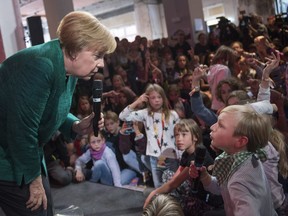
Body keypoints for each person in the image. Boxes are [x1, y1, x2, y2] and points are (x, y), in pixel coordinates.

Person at [0, 11, 116, 216]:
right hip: (9, 160)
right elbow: (21, 131)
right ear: (74, 51)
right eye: (97, 56)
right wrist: (34, 182)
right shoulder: (40, 65)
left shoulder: (67, 67)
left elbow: (52, 108)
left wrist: (75, 125)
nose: (101, 64)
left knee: (46, 209)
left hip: (28, 154)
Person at [189, 105, 278, 216]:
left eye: (220, 125)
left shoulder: (241, 181)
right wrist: (204, 176)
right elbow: (223, 187)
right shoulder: (242, 157)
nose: (212, 127)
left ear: (240, 141)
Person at [143, 119, 215, 216]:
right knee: (167, 175)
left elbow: (173, 184)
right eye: (177, 135)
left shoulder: (197, 157)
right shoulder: (186, 153)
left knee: (170, 199)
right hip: (192, 190)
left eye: (184, 135)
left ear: (195, 137)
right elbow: (174, 178)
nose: (179, 139)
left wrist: (152, 195)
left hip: (204, 200)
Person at [119, 83, 181, 188]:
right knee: (159, 187)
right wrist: (138, 101)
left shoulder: (173, 115)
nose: (156, 100)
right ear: (147, 99)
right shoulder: (145, 114)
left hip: (171, 155)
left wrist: (180, 155)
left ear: (163, 98)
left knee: (173, 186)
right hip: (154, 157)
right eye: (153, 97)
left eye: (159, 97)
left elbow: (179, 136)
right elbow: (122, 116)